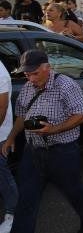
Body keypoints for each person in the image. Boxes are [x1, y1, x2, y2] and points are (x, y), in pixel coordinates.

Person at [3, 50, 83, 233]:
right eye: (27, 74)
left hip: (62, 153)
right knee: (26, 200)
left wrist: (52, 129)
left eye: (35, 73)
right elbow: (22, 115)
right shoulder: (28, 87)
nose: (31, 78)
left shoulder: (65, 85)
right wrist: (12, 137)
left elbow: (81, 116)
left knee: (74, 193)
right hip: (33, 153)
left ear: (47, 68)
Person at [0, 62, 17, 233]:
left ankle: (12, 214)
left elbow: (2, 107)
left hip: (0, 135)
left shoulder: (0, 73)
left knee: (2, 176)